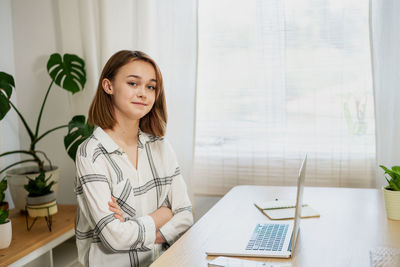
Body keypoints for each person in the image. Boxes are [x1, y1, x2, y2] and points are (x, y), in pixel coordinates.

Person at [74, 50, 193, 267]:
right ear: (108, 86)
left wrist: (133, 227)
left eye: (150, 86)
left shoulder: (161, 147)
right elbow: (114, 238)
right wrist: (161, 216)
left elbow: (185, 215)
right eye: (132, 83)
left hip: (163, 262)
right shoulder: (90, 153)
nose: (143, 93)